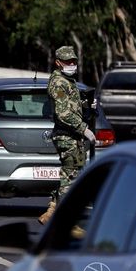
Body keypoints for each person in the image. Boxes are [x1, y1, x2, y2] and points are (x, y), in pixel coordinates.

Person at [38, 46, 96, 225]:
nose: (72, 64)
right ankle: (67, 222)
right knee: (71, 177)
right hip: (67, 136)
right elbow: (63, 114)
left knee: (69, 176)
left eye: (74, 61)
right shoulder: (59, 82)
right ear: (58, 62)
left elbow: (71, 106)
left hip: (72, 136)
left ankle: (51, 211)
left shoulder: (68, 81)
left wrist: (87, 105)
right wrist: (84, 128)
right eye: (68, 61)